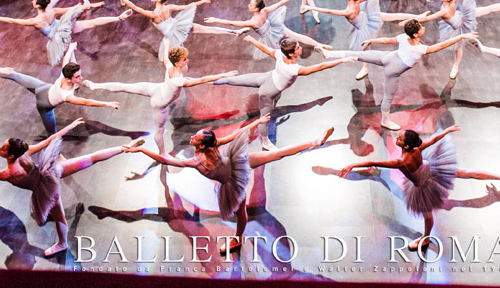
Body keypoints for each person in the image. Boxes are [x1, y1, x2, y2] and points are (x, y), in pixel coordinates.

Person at [122, 118, 334, 255]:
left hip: (235, 172)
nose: (192, 137)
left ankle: (315, 141)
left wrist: (140, 152)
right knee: (271, 161)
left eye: (196, 137)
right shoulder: (208, 150)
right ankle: (237, 240)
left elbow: (166, 160)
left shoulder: (198, 159)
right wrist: (255, 122)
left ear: (203, 145)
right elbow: (166, 160)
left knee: (274, 156)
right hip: (235, 173)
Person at [0, 119, 142, 257]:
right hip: (52, 169)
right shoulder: (25, 153)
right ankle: (126, 148)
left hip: (45, 187)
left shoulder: (8, 173)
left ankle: (62, 243)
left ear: (10, 155)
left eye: (2, 147)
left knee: (57, 214)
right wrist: (68, 127)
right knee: (91, 158)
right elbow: (50, 140)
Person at [336, 126, 500, 252]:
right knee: (464, 172)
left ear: (406, 145)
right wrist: (447, 131)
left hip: (424, 185)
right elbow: (434, 140)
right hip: (432, 170)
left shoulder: (401, 162)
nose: (397, 138)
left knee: (427, 215)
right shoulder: (417, 149)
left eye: (399, 139)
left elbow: (375, 161)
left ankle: (425, 237)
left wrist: (353, 164)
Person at [319, 20, 472, 130]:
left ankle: (329, 54)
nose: (423, 27)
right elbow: (442, 45)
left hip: (388, 57)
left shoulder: (404, 37)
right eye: (421, 27)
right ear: (416, 33)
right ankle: (385, 121)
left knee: (359, 54)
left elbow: (388, 39)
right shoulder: (420, 48)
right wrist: (461, 37)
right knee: (387, 97)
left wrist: (373, 39)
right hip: (393, 70)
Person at [85, 47, 236, 152]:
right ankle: (162, 152)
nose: (187, 60)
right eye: (185, 59)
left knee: (126, 87)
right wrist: (223, 75)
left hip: (156, 88)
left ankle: (95, 86)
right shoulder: (177, 80)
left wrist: (167, 44)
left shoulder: (170, 64)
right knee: (160, 129)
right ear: (178, 62)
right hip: (159, 103)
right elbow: (201, 80)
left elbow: (165, 57)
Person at [216, 37, 352, 149]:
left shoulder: (280, 54)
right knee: (265, 118)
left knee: (233, 80)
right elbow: (321, 66)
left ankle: (207, 80)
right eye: (298, 48)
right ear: (292, 54)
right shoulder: (294, 69)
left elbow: (265, 49)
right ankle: (265, 142)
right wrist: (342, 60)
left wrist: (251, 39)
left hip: (267, 77)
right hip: (268, 91)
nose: (301, 48)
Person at [0, 55, 119, 135]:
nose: (80, 79)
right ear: (68, 79)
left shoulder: (65, 72)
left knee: (15, 75)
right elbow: (86, 102)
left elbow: (66, 59)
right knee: (53, 134)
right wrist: (107, 104)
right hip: (44, 104)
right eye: (77, 77)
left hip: (42, 87)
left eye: (80, 76)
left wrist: (71, 47)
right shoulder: (66, 95)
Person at [403, 0, 500, 80]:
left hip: (462, 22)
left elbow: (427, 18)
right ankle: (456, 65)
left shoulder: (444, 11)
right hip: (458, 21)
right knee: (459, 47)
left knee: (486, 10)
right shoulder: (449, 2)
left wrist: (408, 20)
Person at [110, 0, 242, 62]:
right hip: (179, 26)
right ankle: (234, 32)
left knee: (173, 58)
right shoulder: (169, 7)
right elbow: (188, 6)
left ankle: (179, 77)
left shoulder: (154, 14)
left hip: (173, 35)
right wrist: (203, 1)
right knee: (208, 29)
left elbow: (135, 7)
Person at [203, 0, 329, 56]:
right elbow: (278, 4)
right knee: (296, 36)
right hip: (274, 27)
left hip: (270, 35)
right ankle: (320, 45)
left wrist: (216, 19)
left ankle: (287, 67)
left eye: (251, 5)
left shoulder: (252, 22)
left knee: (278, 53)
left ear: (256, 9)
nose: (248, 6)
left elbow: (231, 23)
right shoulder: (264, 11)